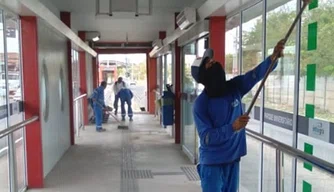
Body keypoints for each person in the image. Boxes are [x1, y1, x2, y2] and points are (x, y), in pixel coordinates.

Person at [191, 40, 285, 192]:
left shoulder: (234, 87)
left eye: (212, 59)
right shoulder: (201, 104)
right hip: (212, 163)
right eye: (208, 63)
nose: (214, 62)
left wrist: (272, 58)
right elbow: (207, 137)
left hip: (233, 159)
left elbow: (254, 76)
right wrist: (233, 127)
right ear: (203, 76)